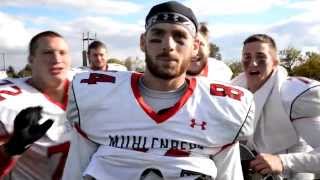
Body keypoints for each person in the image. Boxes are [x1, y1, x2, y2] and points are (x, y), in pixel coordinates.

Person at [63, 1, 255, 180]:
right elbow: (75, 171)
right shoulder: (96, 95)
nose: (168, 46)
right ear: (143, 41)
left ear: (195, 47)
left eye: (179, 37)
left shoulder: (221, 106)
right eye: (157, 36)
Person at [232, 34, 320, 179]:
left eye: (261, 57)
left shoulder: (293, 96)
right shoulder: (234, 90)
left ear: (275, 62)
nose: (253, 63)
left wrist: (284, 161)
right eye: (247, 57)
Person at [0, 31, 72, 180]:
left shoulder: (88, 90)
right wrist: (11, 148)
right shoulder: (8, 102)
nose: (57, 59)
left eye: (63, 52)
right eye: (47, 52)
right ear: (31, 59)